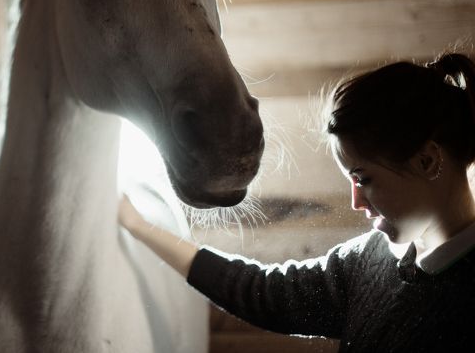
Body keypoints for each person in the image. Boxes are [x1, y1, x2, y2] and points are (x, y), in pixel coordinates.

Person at [119, 52, 475, 352]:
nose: (356, 202)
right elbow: (260, 292)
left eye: (363, 178)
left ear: (428, 161)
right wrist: (140, 227)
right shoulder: (369, 260)